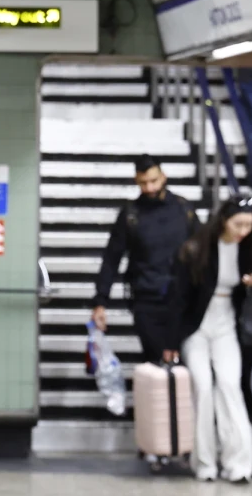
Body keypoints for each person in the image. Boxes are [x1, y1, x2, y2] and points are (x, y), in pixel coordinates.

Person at [164, 194, 252, 483]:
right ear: (224, 220)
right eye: (238, 224)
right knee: (203, 387)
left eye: (248, 225)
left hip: (227, 325)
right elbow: (178, 298)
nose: (243, 231)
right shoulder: (197, 249)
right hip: (196, 326)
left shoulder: (251, 249)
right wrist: (170, 342)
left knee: (229, 385)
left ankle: (239, 464)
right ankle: (204, 462)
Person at [91, 155, 200, 364]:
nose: (149, 188)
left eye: (153, 181)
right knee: (155, 360)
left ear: (163, 177)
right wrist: (100, 301)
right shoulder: (131, 214)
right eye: (143, 183)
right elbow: (111, 259)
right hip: (146, 299)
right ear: (136, 181)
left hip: (183, 299)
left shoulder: (183, 209)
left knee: (187, 364)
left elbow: (203, 251)